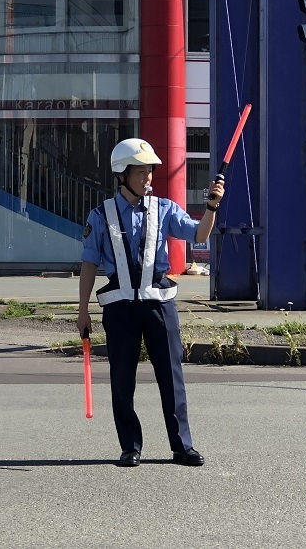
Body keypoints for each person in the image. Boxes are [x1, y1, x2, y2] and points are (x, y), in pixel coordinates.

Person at [77, 138, 224, 467]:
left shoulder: (165, 208)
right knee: (122, 380)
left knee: (172, 377)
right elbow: (88, 263)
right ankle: (130, 446)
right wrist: (83, 310)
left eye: (150, 171)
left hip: (159, 305)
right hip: (119, 309)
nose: (148, 178)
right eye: (141, 172)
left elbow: (199, 234)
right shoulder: (100, 215)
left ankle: (182, 446)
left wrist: (212, 208)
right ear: (122, 175)